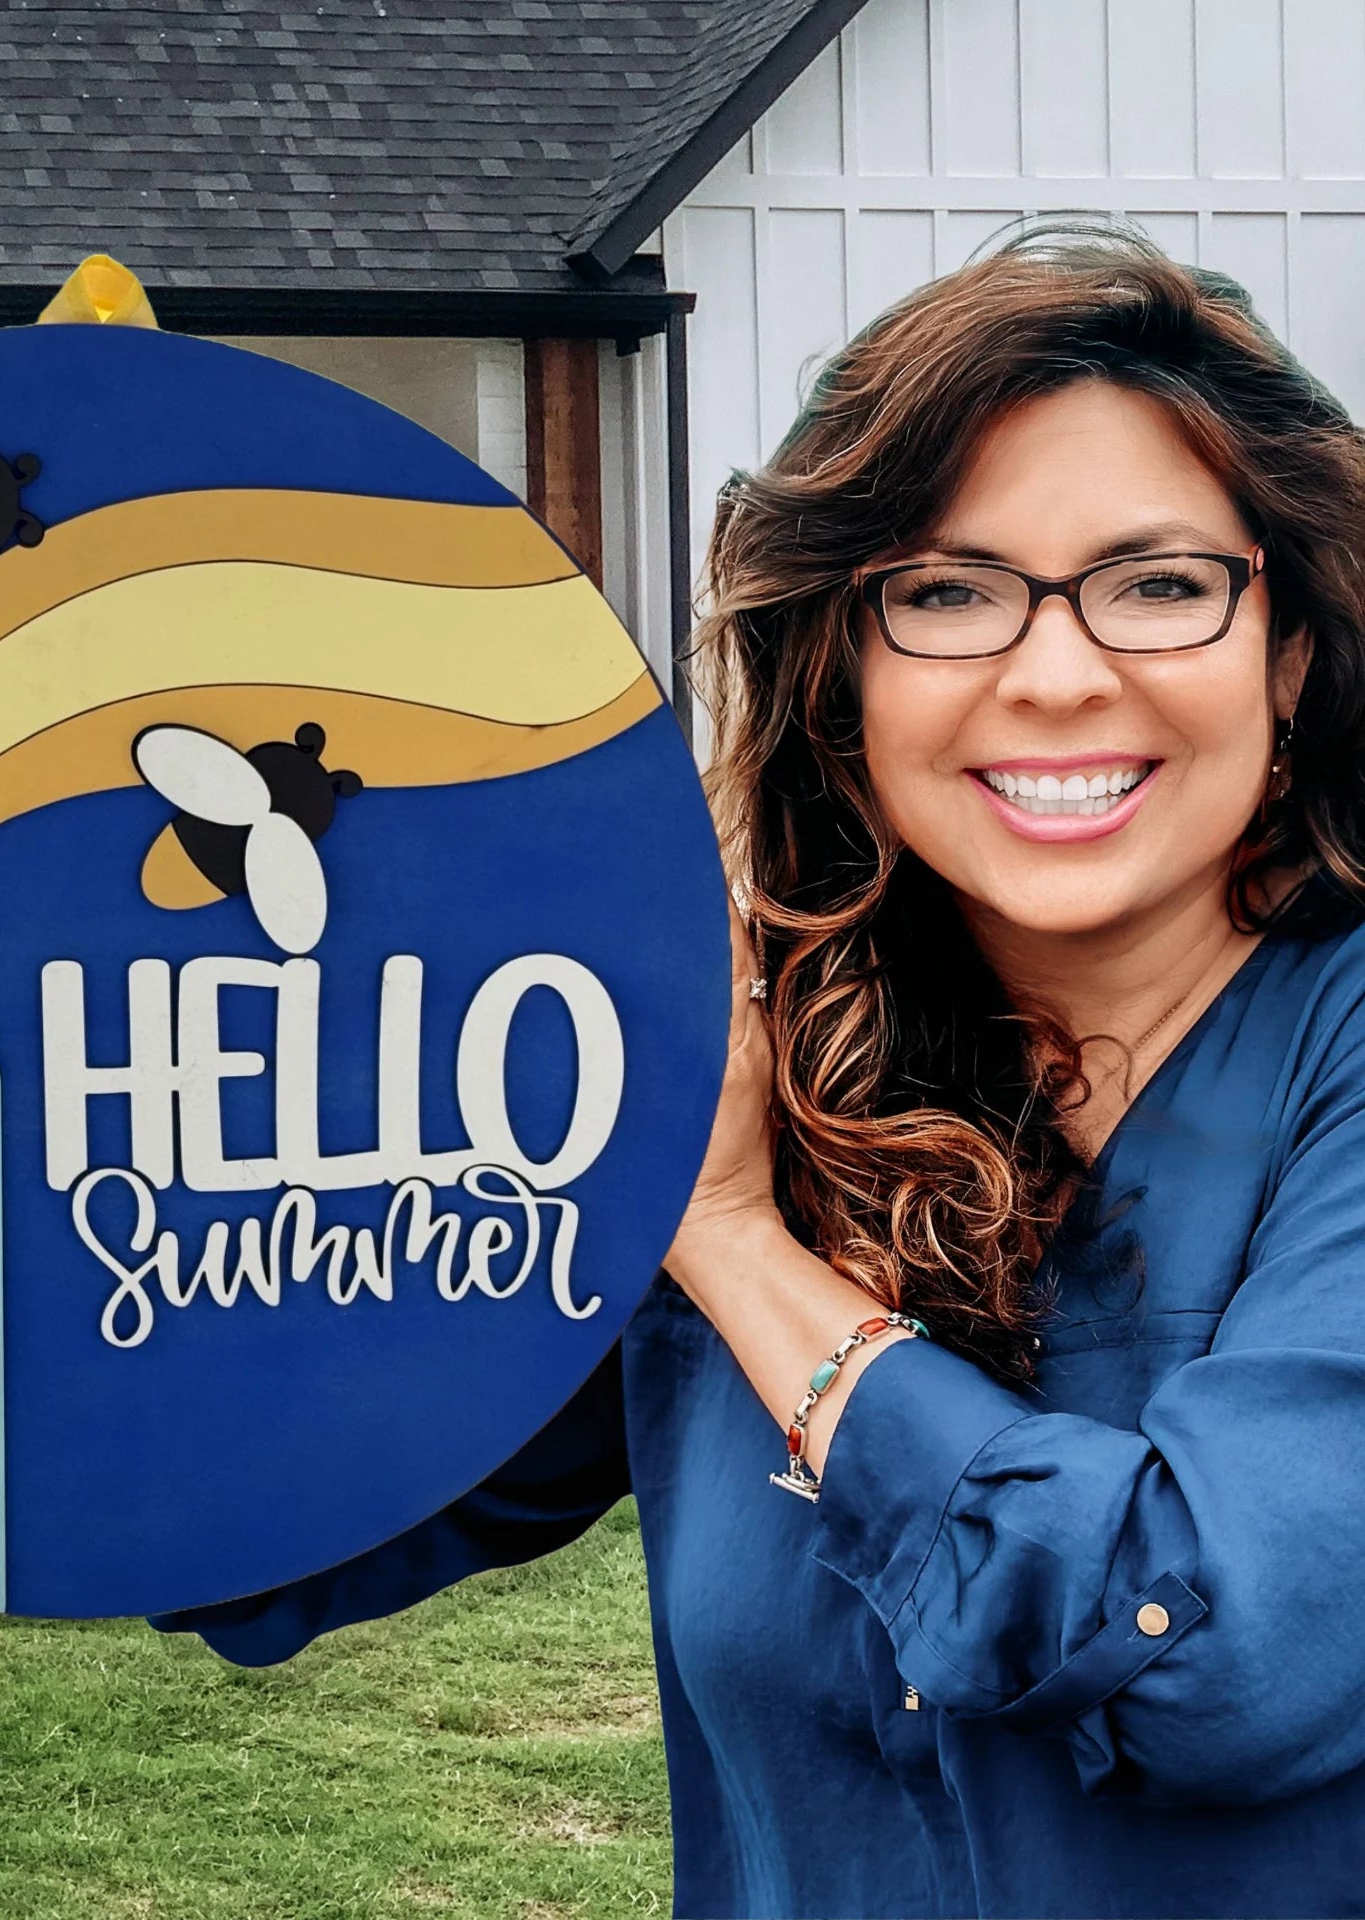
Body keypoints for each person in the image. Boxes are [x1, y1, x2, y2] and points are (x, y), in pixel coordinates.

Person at [155, 227, 1365, 1916]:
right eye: (945, 593)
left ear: (1288, 652)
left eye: (1159, 585)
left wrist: (734, 1245)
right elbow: (273, 1522)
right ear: (842, 676)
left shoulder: (1322, 1067)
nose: (1055, 674)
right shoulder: (753, 1065)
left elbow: (1219, 1660)